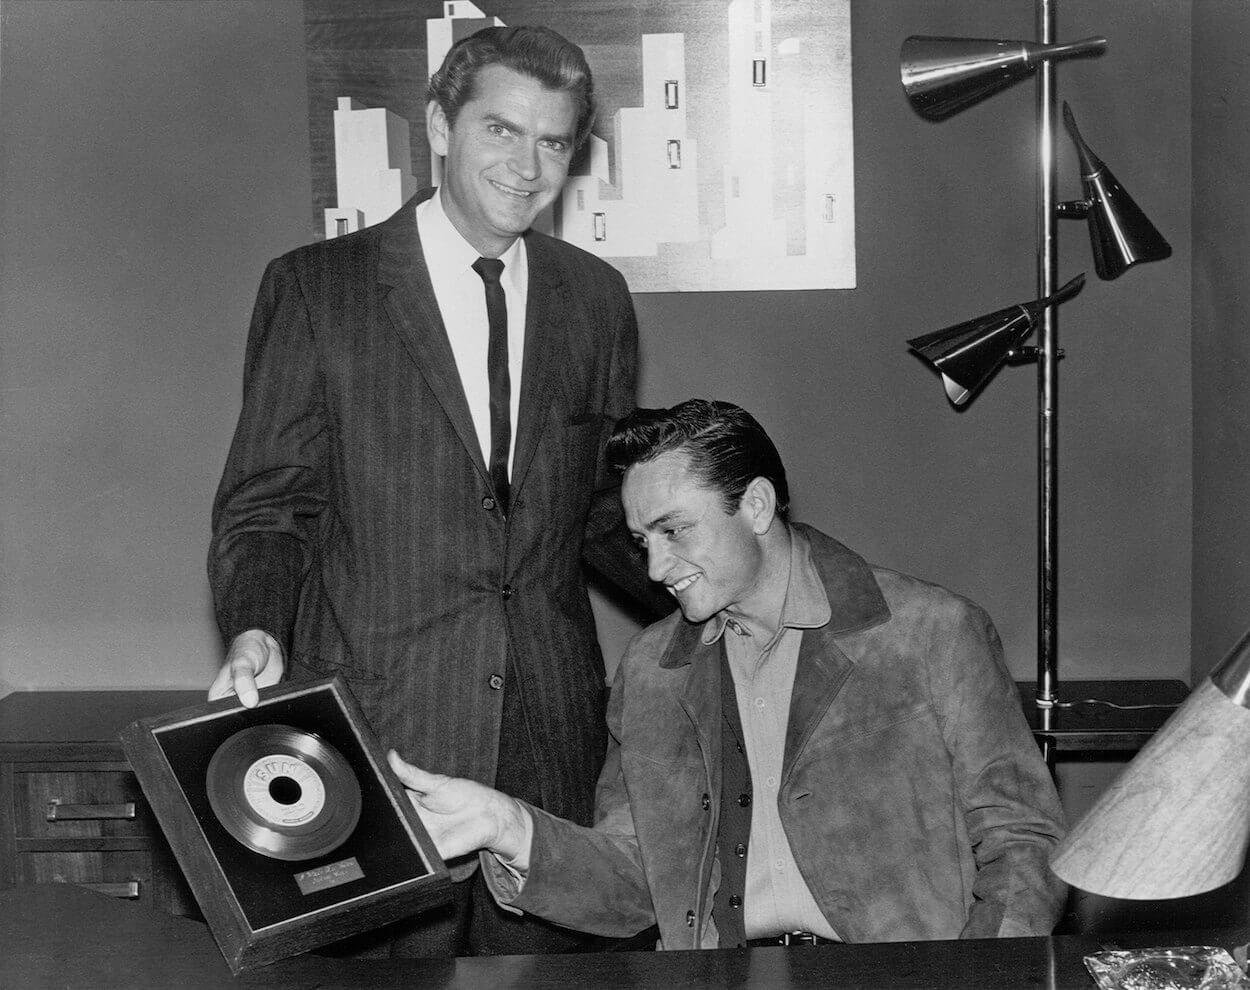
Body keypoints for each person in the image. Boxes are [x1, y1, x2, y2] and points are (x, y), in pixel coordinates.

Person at [206, 25, 669, 957]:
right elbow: (270, 504)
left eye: (553, 142)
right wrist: (256, 625)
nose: (528, 166)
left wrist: (749, 590)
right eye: (502, 131)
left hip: (549, 753)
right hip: (378, 745)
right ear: (440, 127)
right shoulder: (318, 289)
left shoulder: (595, 298)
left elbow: (604, 518)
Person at [390, 399, 1069, 949]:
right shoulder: (652, 670)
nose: (655, 569)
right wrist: (504, 825)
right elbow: (636, 887)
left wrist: (983, 976)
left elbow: (1022, 839)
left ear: (756, 506)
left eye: (674, 531)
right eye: (642, 541)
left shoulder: (930, 632)